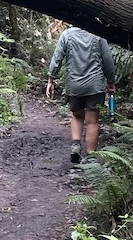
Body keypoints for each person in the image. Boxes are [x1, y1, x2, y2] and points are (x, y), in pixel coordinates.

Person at [46, 24, 116, 163]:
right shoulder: (98, 34)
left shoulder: (67, 34)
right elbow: (107, 60)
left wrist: (51, 78)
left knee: (77, 116)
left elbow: (57, 57)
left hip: (74, 85)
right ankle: (90, 158)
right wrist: (111, 81)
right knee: (92, 121)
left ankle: (76, 145)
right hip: (94, 85)